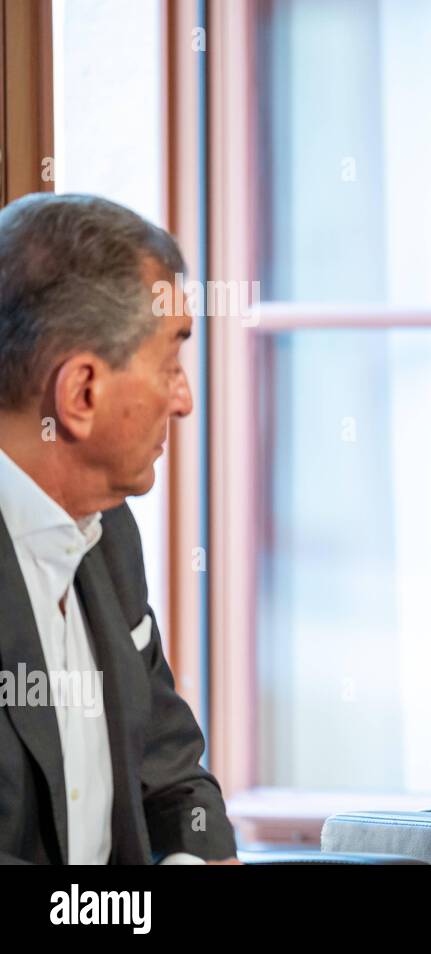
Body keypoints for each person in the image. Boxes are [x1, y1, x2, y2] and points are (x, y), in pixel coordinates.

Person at [0, 192, 237, 863]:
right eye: (170, 364)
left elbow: (173, 775)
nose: (184, 399)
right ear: (81, 393)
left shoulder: (111, 534)